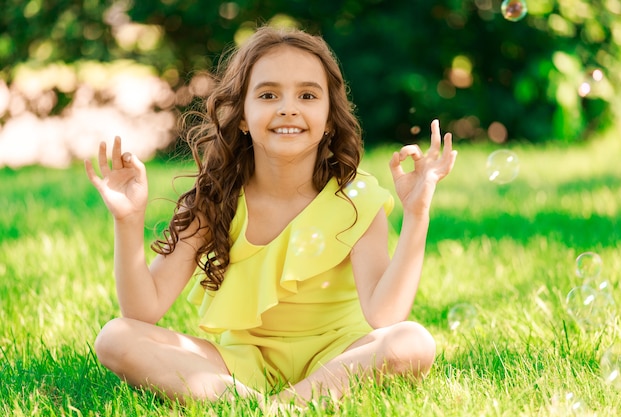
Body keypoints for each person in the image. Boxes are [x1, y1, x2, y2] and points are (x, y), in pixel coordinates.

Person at [85, 25, 457, 406]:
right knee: (115, 336)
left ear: (330, 117)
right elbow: (142, 310)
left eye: (308, 95)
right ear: (242, 116)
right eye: (268, 94)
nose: (288, 107)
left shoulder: (354, 197)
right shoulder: (213, 198)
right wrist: (128, 221)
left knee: (412, 341)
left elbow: (385, 316)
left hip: (339, 357)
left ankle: (275, 406)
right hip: (241, 364)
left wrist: (417, 214)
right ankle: (254, 404)